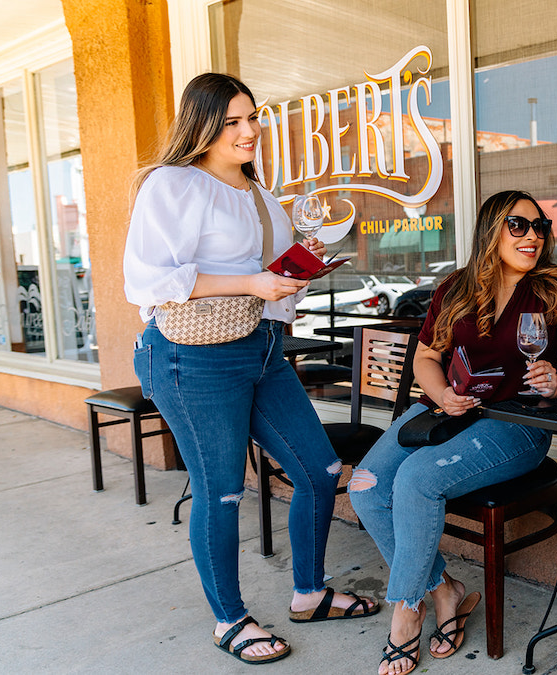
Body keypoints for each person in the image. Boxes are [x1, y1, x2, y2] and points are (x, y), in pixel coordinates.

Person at [124, 73, 379, 666]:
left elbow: (268, 275)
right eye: (233, 121)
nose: (250, 130)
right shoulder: (173, 184)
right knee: (223, 491)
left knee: (319, 467)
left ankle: (309, 593)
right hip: (193, 357)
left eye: (253, 117)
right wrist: (252, 281)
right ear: (203, 126)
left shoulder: (258, 192)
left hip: (262, 347)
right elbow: (150, 281)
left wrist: (298, 268)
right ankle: (229, 620)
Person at [348, 190, 557, 675]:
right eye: (518, 225)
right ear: (491, 231)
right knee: (366, 486)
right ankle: (445, 589)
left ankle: (405, 615)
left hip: (518, 422)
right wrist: (441, 393)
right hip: (445, 411)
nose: (532, 236)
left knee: (416, 480)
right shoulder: (457, 288)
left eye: (539, 225)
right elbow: (426, 357)